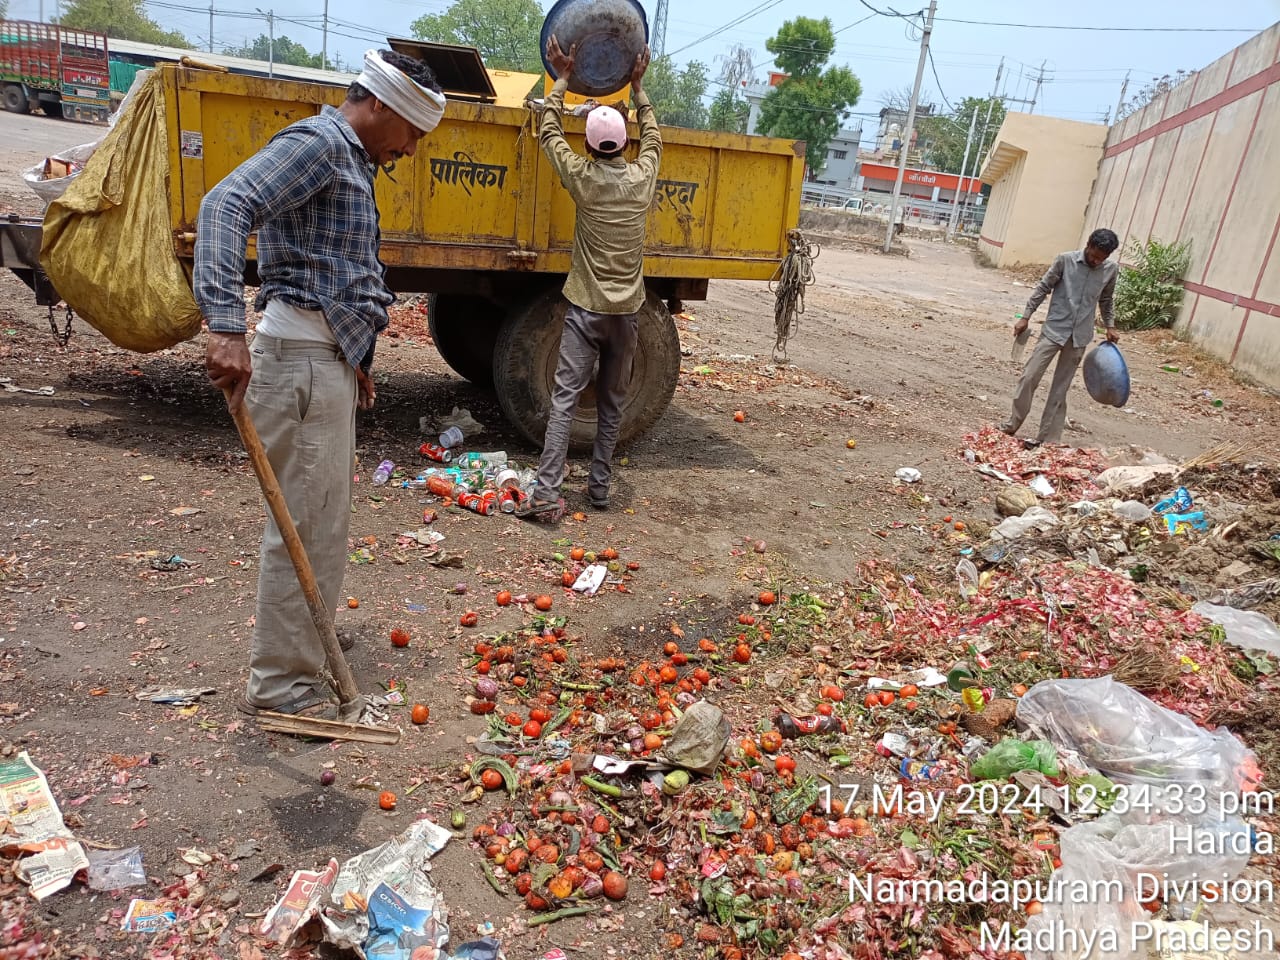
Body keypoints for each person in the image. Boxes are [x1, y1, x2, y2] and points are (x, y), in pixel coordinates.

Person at [195, 50, 446, 719]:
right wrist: (223, 323)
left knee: (320, 527)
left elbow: (333, 266)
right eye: (413, 133)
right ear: (383, 105)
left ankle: (298, 658)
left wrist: (355, 350)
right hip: (299, 362)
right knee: (305, 531)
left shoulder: (352, 160)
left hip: (322, 359)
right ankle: (282, 689)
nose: (412, 149)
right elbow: (224, 205)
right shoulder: (322, 144)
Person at [517, 36, 662, 522]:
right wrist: (637, 88)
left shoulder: (581, 177)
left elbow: (549, 132)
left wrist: (561, 78)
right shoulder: (643, 178)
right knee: (611, 405)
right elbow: (656, 137)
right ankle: (599, 492)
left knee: (564, 402)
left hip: (585, 312)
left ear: (591, 145)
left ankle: (546, 494)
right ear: (624, 144)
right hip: (626, 316)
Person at [999, 228, 1121, 448]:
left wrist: (1110, 326)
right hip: (1054, 329)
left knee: (1060, 388)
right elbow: (1043, 287)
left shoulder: (1110, 270)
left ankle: (1047, 438)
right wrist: (1026, 316)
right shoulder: (1065, 261)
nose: (1095, 261)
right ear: (1088, 245)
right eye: (1093, 256)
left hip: (1080, 336)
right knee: (1029, 377)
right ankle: (1012, 424)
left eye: (1101, 259)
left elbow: (1106, 300)